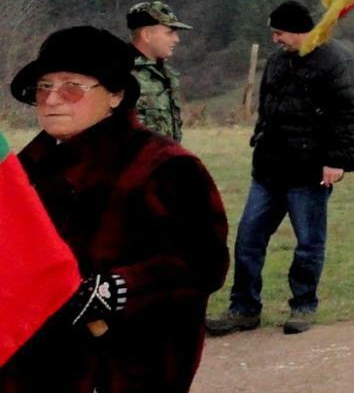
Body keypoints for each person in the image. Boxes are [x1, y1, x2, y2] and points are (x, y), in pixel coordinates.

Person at [1, 26, 228, 392]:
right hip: (34, 362)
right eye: (44, 87)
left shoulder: (165, 166)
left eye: (72, 86)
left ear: (115, 95)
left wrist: (115, 288)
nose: (53, 99)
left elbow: (202, 263)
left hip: (121, 365)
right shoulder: (26, 166)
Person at [206, 0, 354, 337]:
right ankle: (243, 309)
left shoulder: (338, 63)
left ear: (297, 30)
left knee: (308, 242)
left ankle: (303, 305)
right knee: (248, 239)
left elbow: (350, 116)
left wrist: (338, 160)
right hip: (268, 170)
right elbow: (267, 107)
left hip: (308, 173)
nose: (275, 39)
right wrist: (259, 139)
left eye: (279, 32)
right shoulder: (277, 62)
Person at [127, 0, 192, 142]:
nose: (177, 39)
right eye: (170, 33)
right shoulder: (120, 73)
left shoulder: (166, 76)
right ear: (147, 35)